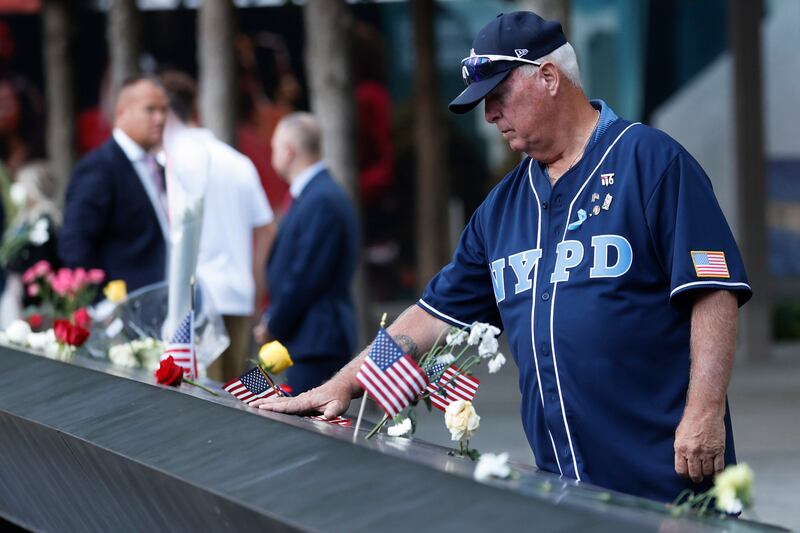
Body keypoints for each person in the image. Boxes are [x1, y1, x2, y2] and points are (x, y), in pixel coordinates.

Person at [255, 12, 752, 503]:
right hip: (564, 486)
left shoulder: (651, 162)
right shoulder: (501, 209)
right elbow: (428, 319)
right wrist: (347, 382)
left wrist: (705, 411)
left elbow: (712, 290)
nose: (489, 115)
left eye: (497, 96)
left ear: (549, 78)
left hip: (665, 474)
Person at [160, 70, 276, 382]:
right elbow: (266, 230)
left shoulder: (171, 159)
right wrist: (254, 292)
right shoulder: (237, 161)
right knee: (231, 402)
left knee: (198, 404)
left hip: (190, 304)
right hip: (237, 295)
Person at [256, 112, 359, 394]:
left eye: (275, 147)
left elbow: (306, 276)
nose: (273, 154)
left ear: (289, 151)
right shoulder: (315, 194)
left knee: (309, 430)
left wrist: (273, 323)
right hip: (310, 338)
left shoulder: (321, 199)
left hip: (317, 341)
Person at [59, 75, 169, 293]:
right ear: (121, 112)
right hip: (123, 310)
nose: (160, 119)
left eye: (164, 110)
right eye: (150, 110)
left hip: (156, 305)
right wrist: (102, 304)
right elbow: (75, 242)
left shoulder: (153, 164)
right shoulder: (100, 167)